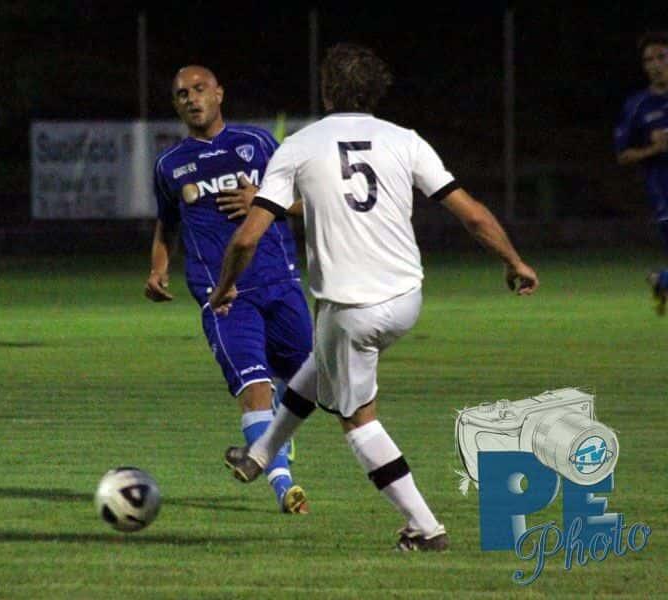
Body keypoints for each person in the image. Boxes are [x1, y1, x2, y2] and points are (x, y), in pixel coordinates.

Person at [210, 43, 539, 551]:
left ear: (326, 89)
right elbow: (473, 214)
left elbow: (246, 238)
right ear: (375, 93)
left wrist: (224, 286)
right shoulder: (406, 140)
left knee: (358, 420)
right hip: (406, 298)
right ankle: (259, 455)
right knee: (321, 363)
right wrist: (514, 261)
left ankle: (425, 527)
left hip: (352, 309)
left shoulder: (299, 145)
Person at [145, 65, 313, 514]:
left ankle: (272, 435)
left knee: (314, 384)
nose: (191, 99)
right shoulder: (169, 164)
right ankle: (284, 486)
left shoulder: (257, 143)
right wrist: (158, 268)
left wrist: (265, 201)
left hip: (280, 284)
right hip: (224, 296)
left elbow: (309, 201)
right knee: (254, 386)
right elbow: (167, 223)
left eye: (199, 89)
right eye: (182, 94)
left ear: (219, 93)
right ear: (176, 104)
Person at [615, 31, 668, 315]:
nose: (656, 64)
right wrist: (654, 149)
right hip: (663, 192)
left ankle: (663, 280)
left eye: (662, 57)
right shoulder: (637, 105)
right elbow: (623, 155)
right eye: (649, 60)